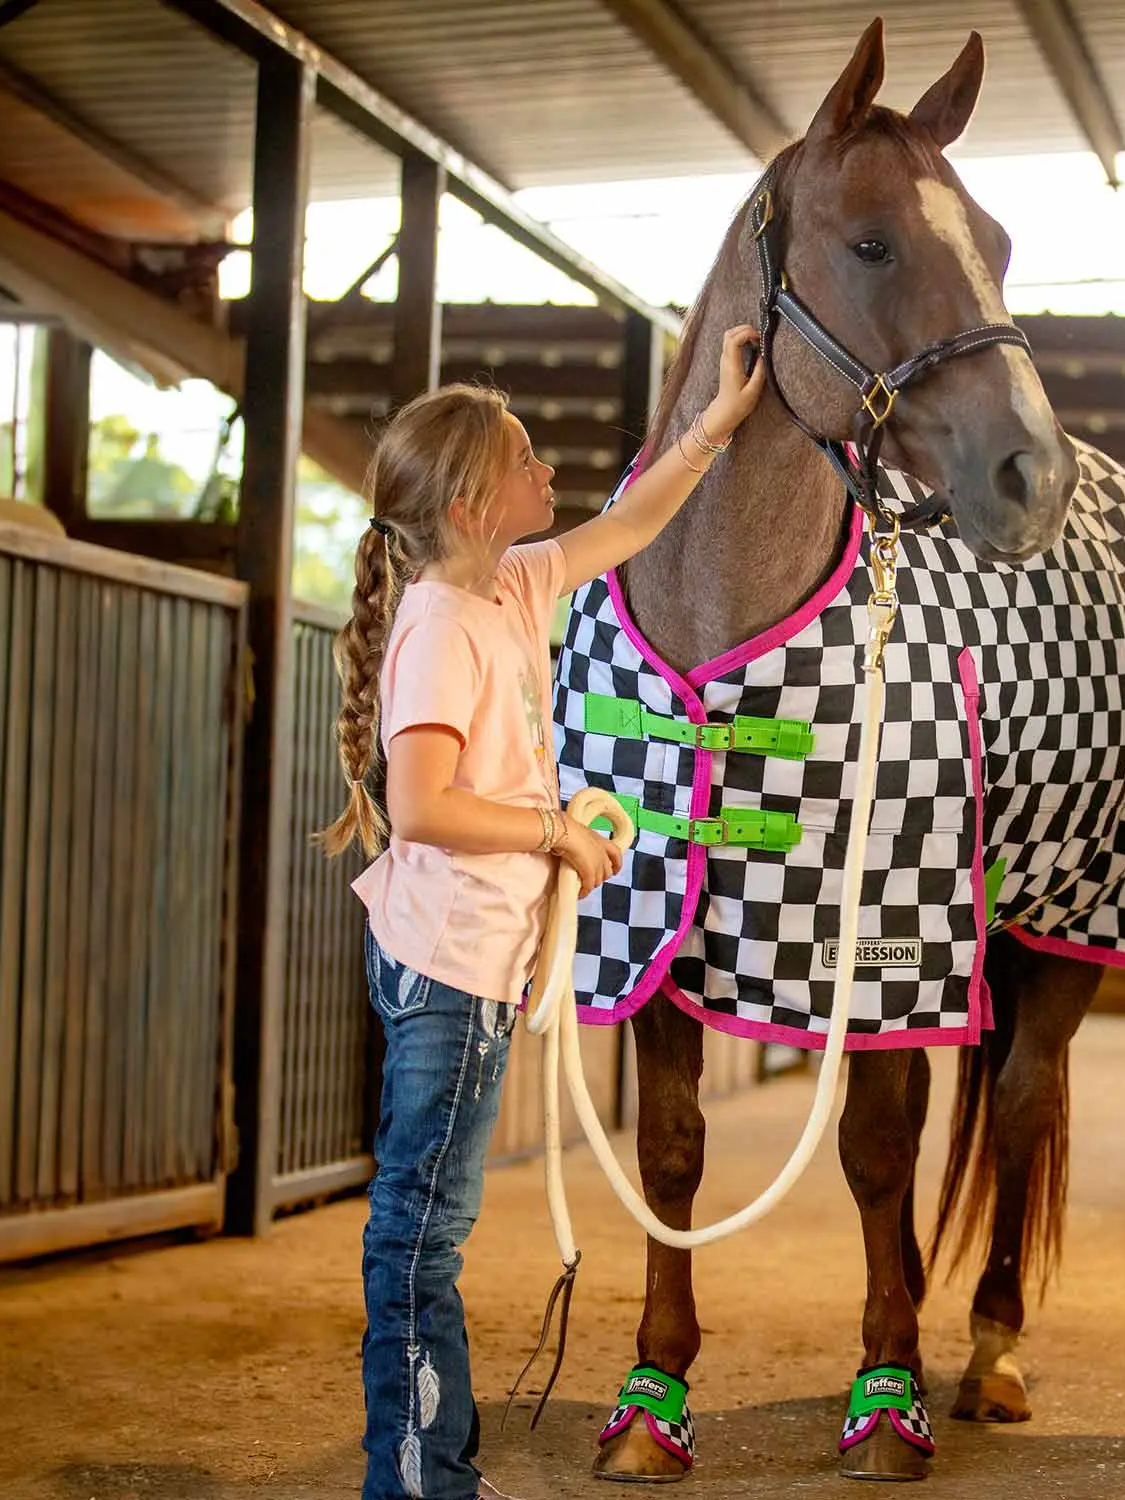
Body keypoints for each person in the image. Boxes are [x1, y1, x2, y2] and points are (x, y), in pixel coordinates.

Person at [319, 324, 766, 1500]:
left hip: (464, 956)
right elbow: (422, 804)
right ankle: (418, 1478)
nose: (550, 472)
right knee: (420, 1233)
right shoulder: (442, 627)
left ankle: (426, 1469)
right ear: (474, 502)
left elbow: (629, 525)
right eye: (526, 460)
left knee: (423, 1225)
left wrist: (714, 424)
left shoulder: (507, 584)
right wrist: (556, 832)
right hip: (451, 963)